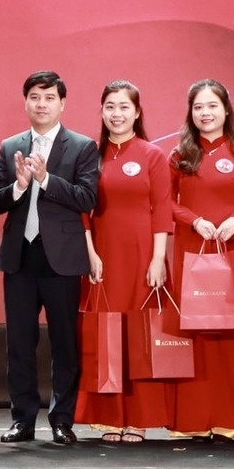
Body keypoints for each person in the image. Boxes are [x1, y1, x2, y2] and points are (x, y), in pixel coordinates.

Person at [0, 70, 101, 445]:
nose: (42, 104)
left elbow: (87, 197)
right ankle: (22, 420)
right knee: (19, 344)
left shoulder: (82, 146)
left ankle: (62, 420)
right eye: (35, 97)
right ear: (26, 102)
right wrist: (19, 186)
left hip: (62, 259)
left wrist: (47, 179)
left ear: (62, 103)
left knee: (64, 343)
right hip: (20, 257)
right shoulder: (10, 146)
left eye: (50, 97)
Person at [76, 81, 173, 442]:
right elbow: (82, 210)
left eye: (124, 107)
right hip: (103, 258)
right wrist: (90, 253)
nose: (117, 114)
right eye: (110, 107)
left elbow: (162, 209)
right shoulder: (90, 154)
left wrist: (158, 259)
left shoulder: (152, 155)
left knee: (139, 334)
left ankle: (139, 418)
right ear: (101, 111)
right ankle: (110, 417)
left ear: (137, 112)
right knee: (106, 334)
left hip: (143, 256)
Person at [166, 80, 234, 441]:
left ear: (226, 110)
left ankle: (232, 421)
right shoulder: (179, 156)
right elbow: (165, 202)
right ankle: (192, 421)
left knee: (230, 334)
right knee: (195, 333)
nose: (205, 113)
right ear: (190, 113)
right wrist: (194, 220)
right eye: (198, 107)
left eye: (212, 106)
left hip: (231, 249)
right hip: (192, 250)